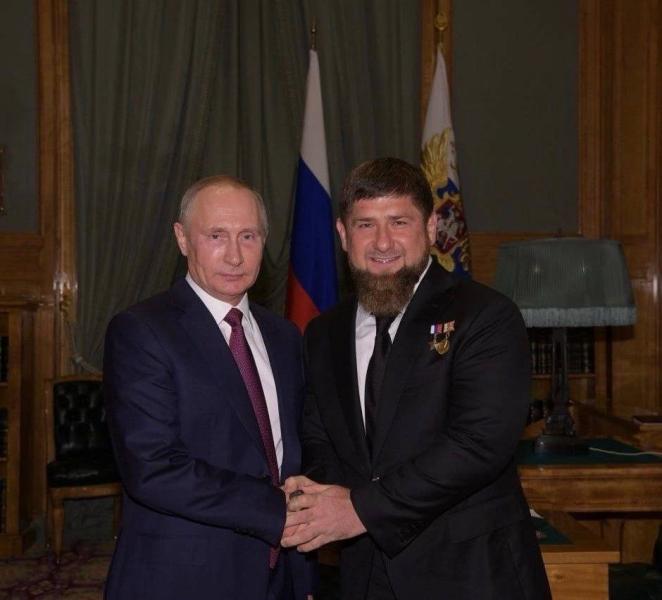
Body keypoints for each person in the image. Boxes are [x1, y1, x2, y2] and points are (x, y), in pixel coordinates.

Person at [282, 158, 551, 599]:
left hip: (471, 575)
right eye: (365, 225)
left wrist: (359, 509)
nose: (382, 242)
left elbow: (478, 444)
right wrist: (323, 500)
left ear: (429, 228)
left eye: (399, 222)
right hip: (363, 574)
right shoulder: (322, 333)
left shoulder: (485, 315)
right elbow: (318, 437)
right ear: (343, 234)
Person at [104, 175, 313, 600]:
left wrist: (304, 577)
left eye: (248, 236)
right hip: (185, 577)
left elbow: (291, 457)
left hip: (279, 576)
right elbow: (152, 467)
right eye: (216, 236)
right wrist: (277, 510)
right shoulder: (142, 331)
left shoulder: (285, 337)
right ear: (182, 239)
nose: (234, 255)